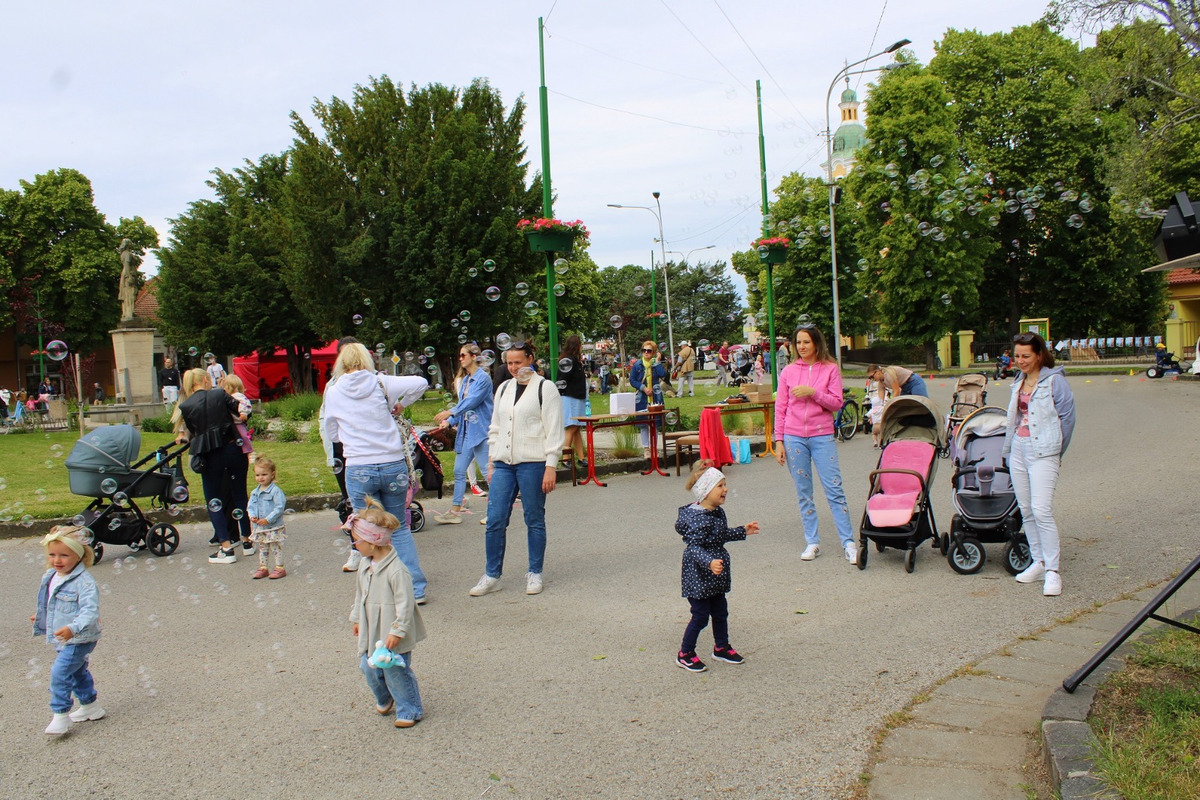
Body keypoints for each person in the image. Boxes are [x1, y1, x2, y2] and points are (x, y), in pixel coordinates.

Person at [322, 343, 429, 601]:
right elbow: (421, 383)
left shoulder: (334, 392)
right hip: (392, 464)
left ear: (342, 364)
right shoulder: (381, 383)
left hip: (359, 466)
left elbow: (332, 431)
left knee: (366, 530)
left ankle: (377, 587)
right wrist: (401, 404)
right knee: (400, 528)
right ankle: (415, 589)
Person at [470, 341, 564, 597]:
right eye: (509, 363)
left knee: (534, 518)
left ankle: (534, 572)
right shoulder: (504, 388)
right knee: (495, 520)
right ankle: (491, 575)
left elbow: (554, 430)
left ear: (530, 359)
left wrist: (550, 466)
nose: (513, 368)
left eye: (518, 362)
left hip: (532, 463)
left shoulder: (546, 388)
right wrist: (490, 462)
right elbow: (496, 427)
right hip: (503, 463)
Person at [774, 324, 857, 563]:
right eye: (798, 342)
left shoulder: (830, 369)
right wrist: (779, 441)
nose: (801, 347)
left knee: (834, 490)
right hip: (793, 436)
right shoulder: (788, 371)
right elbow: (781, 408)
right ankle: (812, 542)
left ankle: (849, 542)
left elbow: (836, 403)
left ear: (816, 344)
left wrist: (813, 392)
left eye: (806, 342)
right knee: (804, 492)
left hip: (822, 436)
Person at [1003, 332, 1076, 597]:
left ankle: (1053, 572)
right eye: (1017, 356)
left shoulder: (1055, 381)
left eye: (1026, 356)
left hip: (1044, 451)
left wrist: (1057, 452)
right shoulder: (1018, 380)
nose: (1020, 361)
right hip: (1019, 450)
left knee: (1041, 509)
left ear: (1039, 355)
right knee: (1026, 510)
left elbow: (1067, 419)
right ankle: (1039, 562)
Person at [346, 497, 426, 728]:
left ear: (372, 542)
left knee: (395, 671)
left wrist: (398, 630)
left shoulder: (396, 571)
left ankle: (409, 709)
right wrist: (356, 617)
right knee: (367, 667)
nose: (354, 546)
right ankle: (385, 697)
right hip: (372, 629)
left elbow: (405, 604)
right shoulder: (365, 564)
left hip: (391, 630)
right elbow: (360, 594)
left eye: (356, 542)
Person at [675, 461, 760, 673]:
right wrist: (709, 562)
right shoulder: (698, 519)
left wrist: (742, 531)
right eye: (720, 486)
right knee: (701, 615)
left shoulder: (716, 512)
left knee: (721, 611)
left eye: (725, 484)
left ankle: (721, 647)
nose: (726, 489)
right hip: (699, 577)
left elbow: (720, 535)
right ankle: (685, 653)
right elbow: (693, 548)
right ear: (705, 492)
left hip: (716, 574)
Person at [174, 368, 254, 563]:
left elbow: (195, 432)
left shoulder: (186, 406)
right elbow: (241, 411)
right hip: (233, 449)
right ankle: (246, 540)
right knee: (240, 494)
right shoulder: (220, 394)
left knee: (213, 499)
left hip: (210, 456)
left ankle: (225, 548)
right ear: (206, 379)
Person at [31, 526, 104, 735]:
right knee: (77, 670)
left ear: (80, 556)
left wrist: (72, 628)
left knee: (60, 673)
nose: (57, 560)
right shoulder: (51, 575)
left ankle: (60, 715)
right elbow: (51, 602)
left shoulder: (85, 582)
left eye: (64, 555)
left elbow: (90, 613)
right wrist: (42, 615)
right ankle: (91, 706)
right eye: (52, 554)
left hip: (80, 637)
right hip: (62, 636)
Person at [433, 343, 494, 524]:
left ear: (474, 356)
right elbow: (464, 408)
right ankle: (455, 510)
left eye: (463, 355)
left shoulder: (483, 379)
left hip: (481, 431)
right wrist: (449, 422)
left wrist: (451, 413)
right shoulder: (466, 380)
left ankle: (495, 511)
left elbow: (472, 402)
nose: (460, 359)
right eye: (459, 356)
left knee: (487, 472)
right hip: (467, 431)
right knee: (459, 471)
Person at [318, 336, 359, 568]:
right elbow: (325, 415)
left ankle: (376, 546)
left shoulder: (372, 380)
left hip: (365, 449)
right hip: (341, 448)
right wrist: (329, 443)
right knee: (350, 498)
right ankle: (356, 548)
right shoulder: (333, 385)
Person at [247, 457, 287, 580]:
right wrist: (252, 516)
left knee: (275, 546)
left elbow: (279, 507)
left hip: (273, 526)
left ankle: (279, 568)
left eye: (264, 474)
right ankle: (263, 567)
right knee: (262, 546)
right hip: (260, 526)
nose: (260, 478)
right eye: (258, 475)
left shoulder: (275, 491)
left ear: (272, 474)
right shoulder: (255, 492)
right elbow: (250, 506)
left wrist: (268, 519)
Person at [628, 340, 668, 460]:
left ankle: (654, 448)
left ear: (654, 352)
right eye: (644, 350)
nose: (646, 352)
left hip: (655, 397)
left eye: (649, 351)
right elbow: (632, 380)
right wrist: (643, 388)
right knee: (644, 424)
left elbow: (663, 375)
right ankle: (646, 449)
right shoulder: (638, 365)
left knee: (654, 424)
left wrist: (658, 361)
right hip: (642, 398)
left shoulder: (655, 364)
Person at [557, 335, 589, 469]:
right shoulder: (568, 360)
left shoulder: (573, 360)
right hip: (571, 397)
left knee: (577, 427)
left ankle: (581, 457)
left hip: (577, 396)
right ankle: (565, 458)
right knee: (572, 427)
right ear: (577, 346)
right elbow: (563, 379)